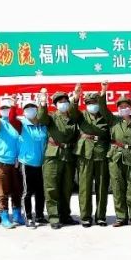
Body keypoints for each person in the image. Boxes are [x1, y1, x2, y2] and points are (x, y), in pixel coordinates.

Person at [34, 88, 81, 229]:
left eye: (65, 101)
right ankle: (54, 217)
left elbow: (76, 113)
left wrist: (76, 98)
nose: (63, 103)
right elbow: (41, 118)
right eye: (60, 102)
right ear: (55, 105)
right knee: (51, 187)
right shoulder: (51, 117)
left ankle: (65, 215)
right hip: (53, 155)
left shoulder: (73, 119)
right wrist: (43, 103)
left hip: (68, 155)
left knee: (67, 188)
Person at [102, 89, 131, 227]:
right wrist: (103, 91)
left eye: (126, 106)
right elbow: (103, 108)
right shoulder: (114, 121)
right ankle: (121, 217)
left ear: (130, 108)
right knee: (117, 188)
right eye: (121, 107)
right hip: (115, 157)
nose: (123, 108)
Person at [76, 90, 111, 227]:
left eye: (95, 102)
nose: (92, 105)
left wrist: (103, 91)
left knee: (102, 186)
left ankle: (101, 216)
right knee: (85, 186)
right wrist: (76, 97)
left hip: (101, 153)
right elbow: (72, 110)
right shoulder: (81, 116)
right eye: (89, 103)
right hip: (85, 153)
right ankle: (85, 217)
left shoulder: (105, 116)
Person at [0, 98, 24, 229]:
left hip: (15, 163)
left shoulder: (16, 123)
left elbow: (20, 140)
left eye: (7, 108)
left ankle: (17, 214)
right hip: (2, 163)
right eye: (3, 108)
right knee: (2, 191)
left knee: (17, 190)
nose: (5, 110)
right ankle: (4, 216)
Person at [16, 96, 49, 227]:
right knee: (27, 192)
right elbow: (12, 119)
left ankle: (40, 215)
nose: (30, 110)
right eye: (27, 108)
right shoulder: (22, 124)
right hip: (27, 163)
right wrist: (13, 106)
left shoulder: (43, 125)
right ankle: (28, 217)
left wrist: (43, 103)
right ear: (24, 111)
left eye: (32, 107)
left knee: (41, 191)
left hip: (41, 163)